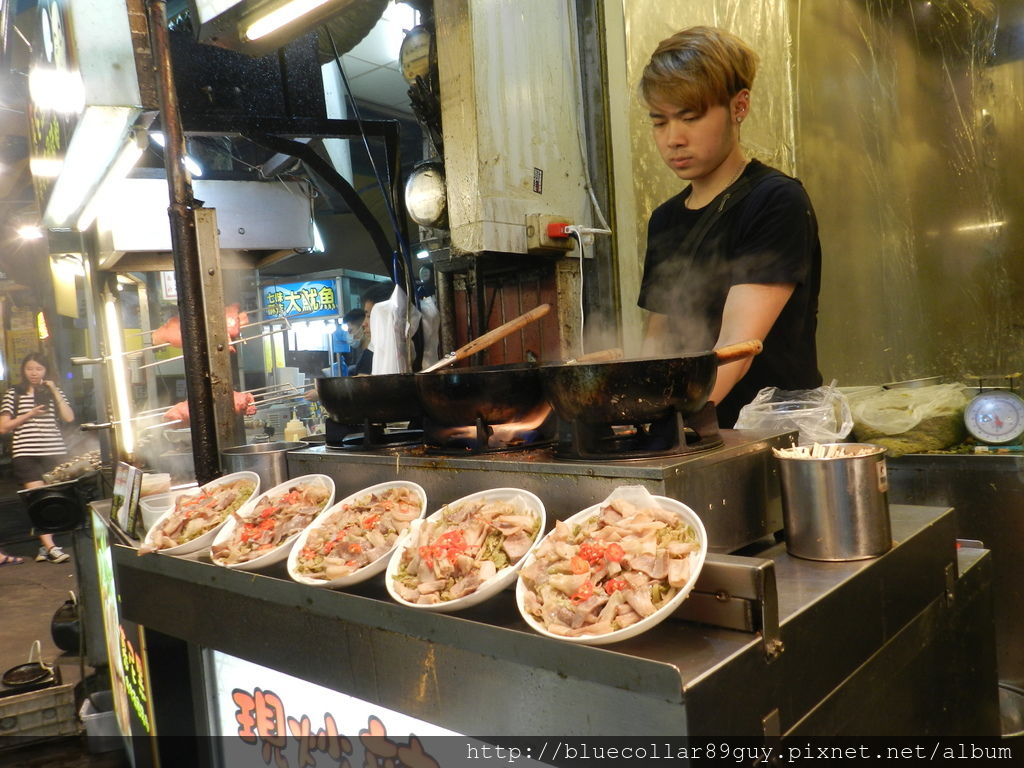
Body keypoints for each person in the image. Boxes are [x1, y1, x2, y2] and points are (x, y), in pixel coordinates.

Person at [637, 26, 822, 427]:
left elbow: (737, 348)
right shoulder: (665, 219)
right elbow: (658, 340)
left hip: (766, 433)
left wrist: (663, 429)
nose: (674, 139)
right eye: (659, 121)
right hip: (691, 431)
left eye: (690, 116)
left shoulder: (775, 200)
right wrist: (636, 408)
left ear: (739, 106)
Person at [0, 353, 76, 563]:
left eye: (39, 369)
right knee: (39, 498)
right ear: (23, 371)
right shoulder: (13, 393)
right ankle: (51, 547)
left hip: (54, 451)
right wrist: (29, 414)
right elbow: (3, 426)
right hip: (25, 453)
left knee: (54, 498)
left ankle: (44, 546)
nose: (34, 373)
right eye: (30, 369)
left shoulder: (53, 391)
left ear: (46, 371)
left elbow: (69, 417)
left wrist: (53, 390)